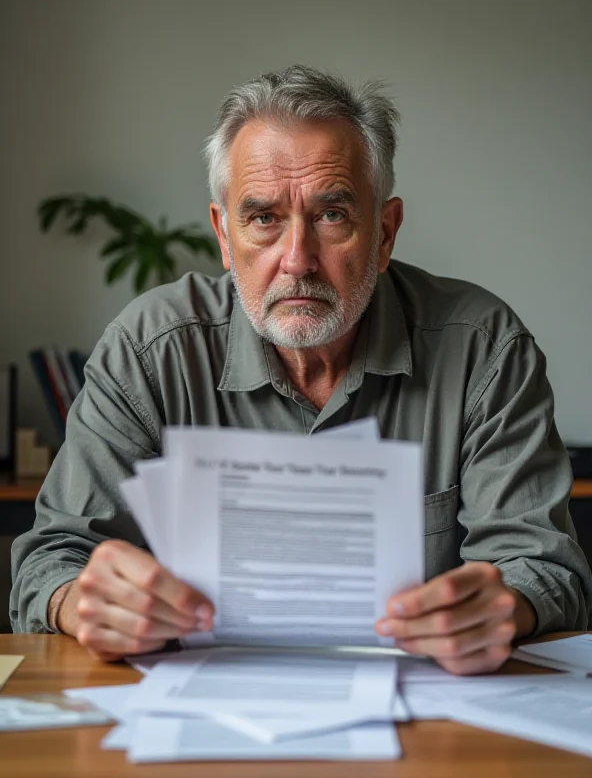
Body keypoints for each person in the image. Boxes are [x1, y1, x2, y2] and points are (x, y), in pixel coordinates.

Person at [11, 65, 591, 675]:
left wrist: (509, 604)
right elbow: (49, 558)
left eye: (331, 215)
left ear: (385, 232)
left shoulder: (482, 347)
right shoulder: (149, 350)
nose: (297, 261)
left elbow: (547, 568)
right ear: (224, 237)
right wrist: (81, 601)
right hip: (197, 716)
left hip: (427, 723)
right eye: (263, 218)